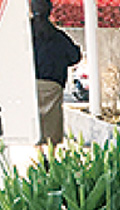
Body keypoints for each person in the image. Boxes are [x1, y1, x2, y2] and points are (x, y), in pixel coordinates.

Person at [30, 0, 81, 146]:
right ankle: (50, 157)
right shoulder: (57, 36)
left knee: (34, 124)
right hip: (53, 85)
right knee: (52, 125)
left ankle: (37, 156)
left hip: (30, 84)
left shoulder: (25, 35)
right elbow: (74, 57)